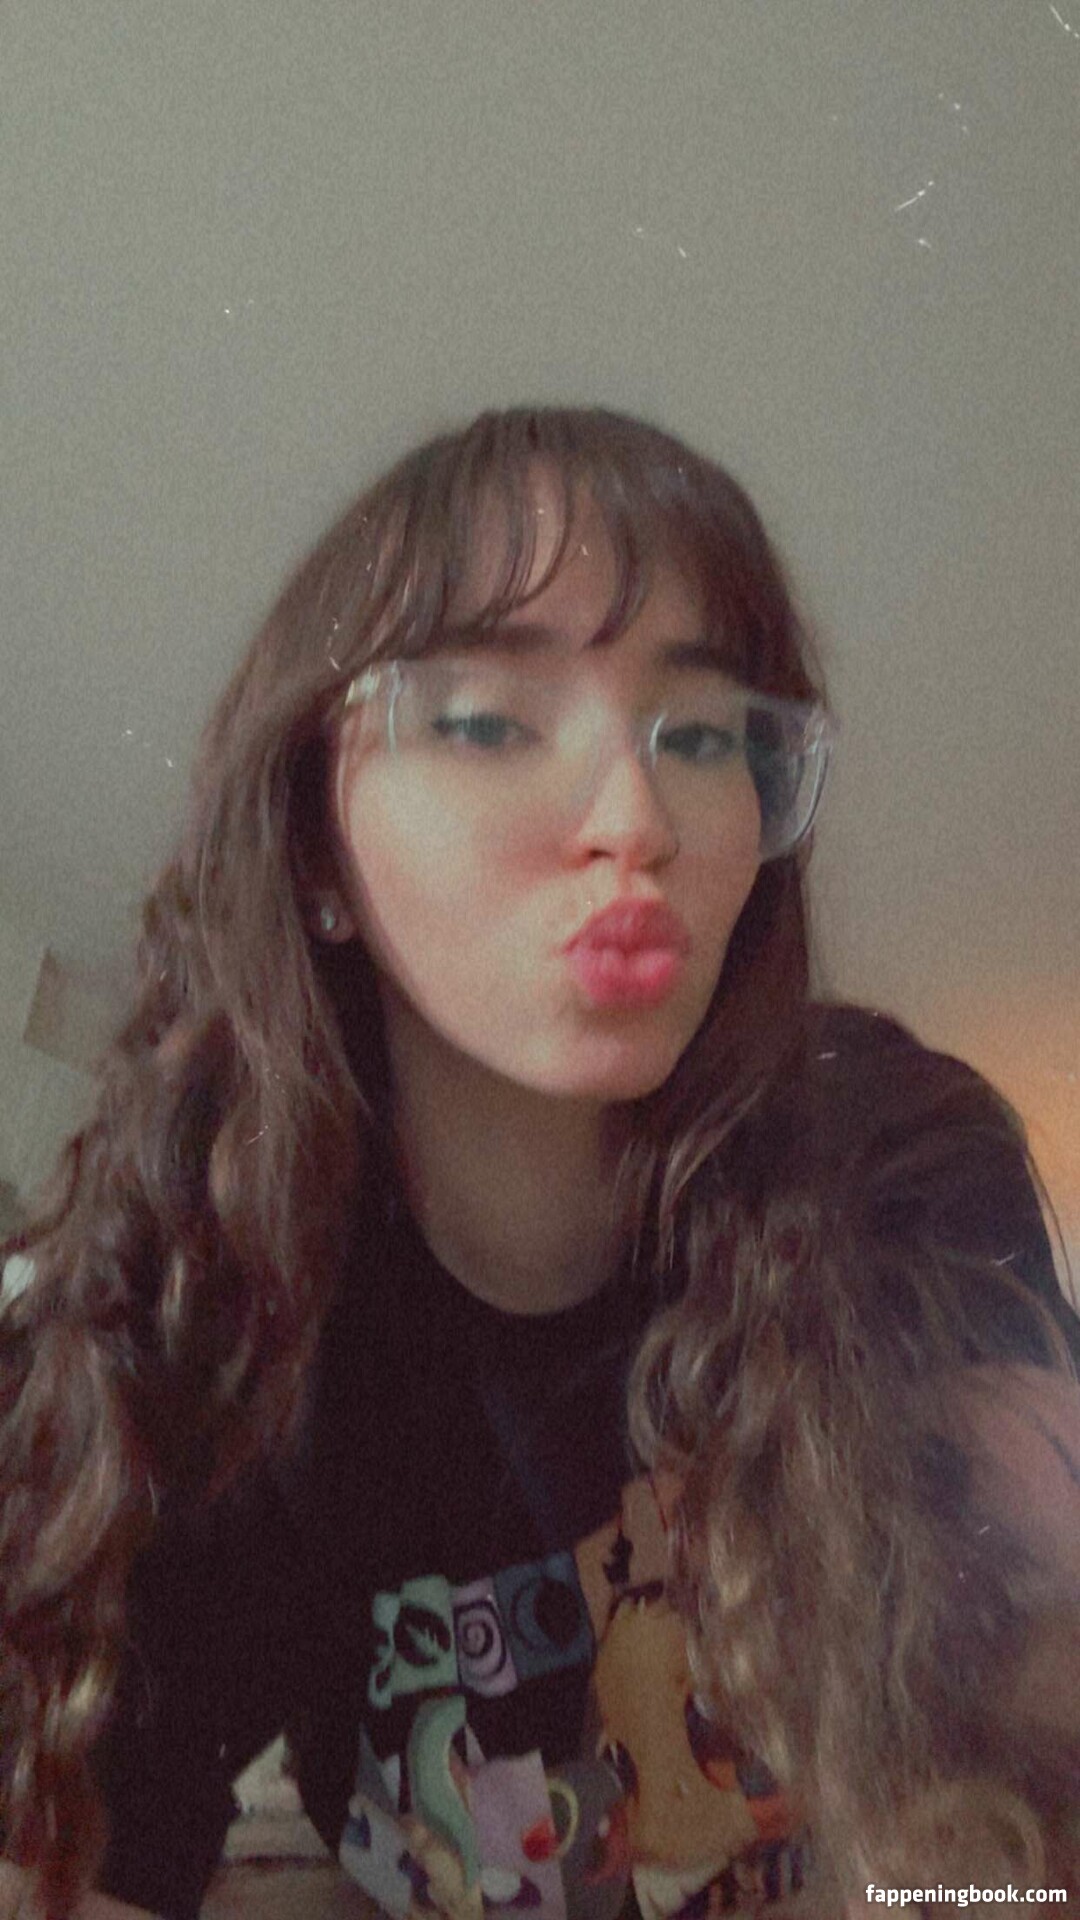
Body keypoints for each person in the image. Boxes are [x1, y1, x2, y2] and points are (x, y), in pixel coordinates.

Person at [0, 405, 1077, 1920]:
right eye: (489, 723)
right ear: (311, 847)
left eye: (699, 735)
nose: (636, 820)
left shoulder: (896, 1164)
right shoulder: (215, 1324)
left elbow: (1015, 1826)